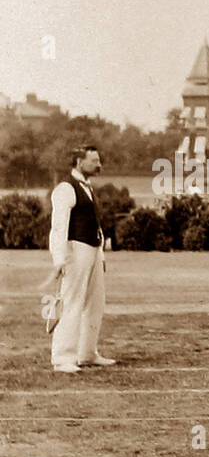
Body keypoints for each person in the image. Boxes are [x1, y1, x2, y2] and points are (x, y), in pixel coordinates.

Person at [49, 145, 113, 373]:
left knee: (95, 303)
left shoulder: (88, 187)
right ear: (79, 162)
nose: (99, 164)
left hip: (92, 250)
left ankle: (87, 353)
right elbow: (59, 226)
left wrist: (101, 254)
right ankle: (63, 358)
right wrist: (59, 258)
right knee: (72, 301)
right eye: (94, 160)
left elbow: (95, 224)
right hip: (76, 251)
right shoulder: (66, 188)